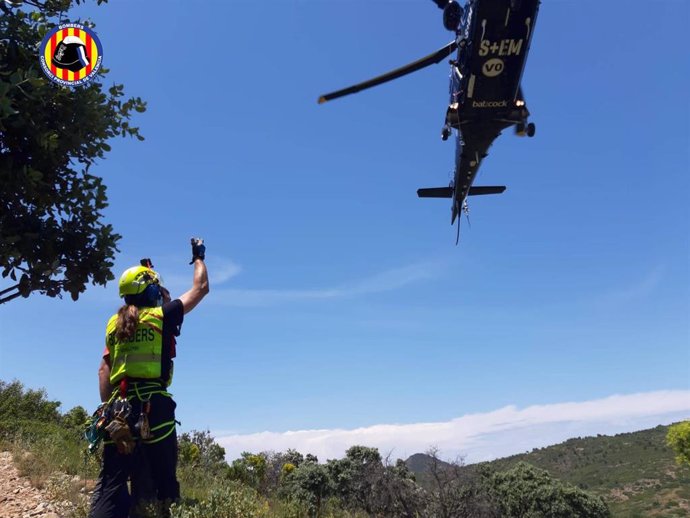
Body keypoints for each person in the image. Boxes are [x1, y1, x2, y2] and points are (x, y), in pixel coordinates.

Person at [89, 239, 209, 518]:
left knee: (112, 484)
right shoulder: (160, 316)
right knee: (164, 484)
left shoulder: (113, 325)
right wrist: (198, 257)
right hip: (155, 410)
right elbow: (200, 288)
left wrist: (109, 409)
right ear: (151, 289)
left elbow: (103, 370)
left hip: (118, 412)